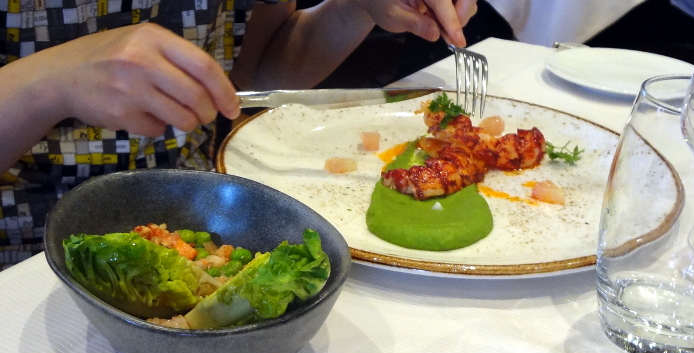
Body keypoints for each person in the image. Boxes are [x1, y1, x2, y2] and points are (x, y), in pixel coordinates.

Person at [0, 0, 478, 268]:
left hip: (205, 219)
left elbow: (253, 76)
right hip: (23, 253)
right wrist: (49, 83)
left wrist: (355, 9)